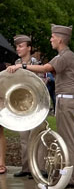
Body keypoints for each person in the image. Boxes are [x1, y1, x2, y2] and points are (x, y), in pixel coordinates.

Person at [7, 24, 74, 188]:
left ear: (60, 39)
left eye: (53, 37)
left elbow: (46, 68)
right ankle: (69, 175)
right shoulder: (72, 57)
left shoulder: (64, 56)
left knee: (68, 141)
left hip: (66, 100)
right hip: (71, 100)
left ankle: (72, 178)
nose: (50, 39)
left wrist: (22, 66)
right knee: (68, 140)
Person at [12, 35, 42, 178]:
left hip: (35, 104)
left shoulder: (36, 62)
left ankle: (38, 168)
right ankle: (26, 168)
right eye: (17, 46)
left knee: (35, 136)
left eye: (21, 46)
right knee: (24, 137)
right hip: (21, 104)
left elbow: (43, 80)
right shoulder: (15, 63)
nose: (18, 48)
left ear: (29, 48)